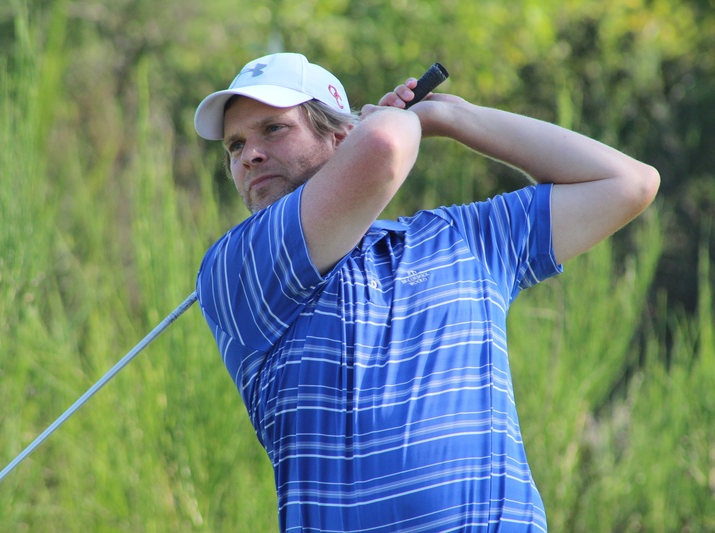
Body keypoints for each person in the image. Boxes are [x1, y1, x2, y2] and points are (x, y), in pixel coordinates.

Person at [193, 52, 659, 532]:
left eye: (273, 129)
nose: (249, 155)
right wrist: (396, 124)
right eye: (234, 145)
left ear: (337, 136)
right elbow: (383, 146)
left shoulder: (462, 238)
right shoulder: (239, 267)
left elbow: (629, 182)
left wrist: (451, 116)